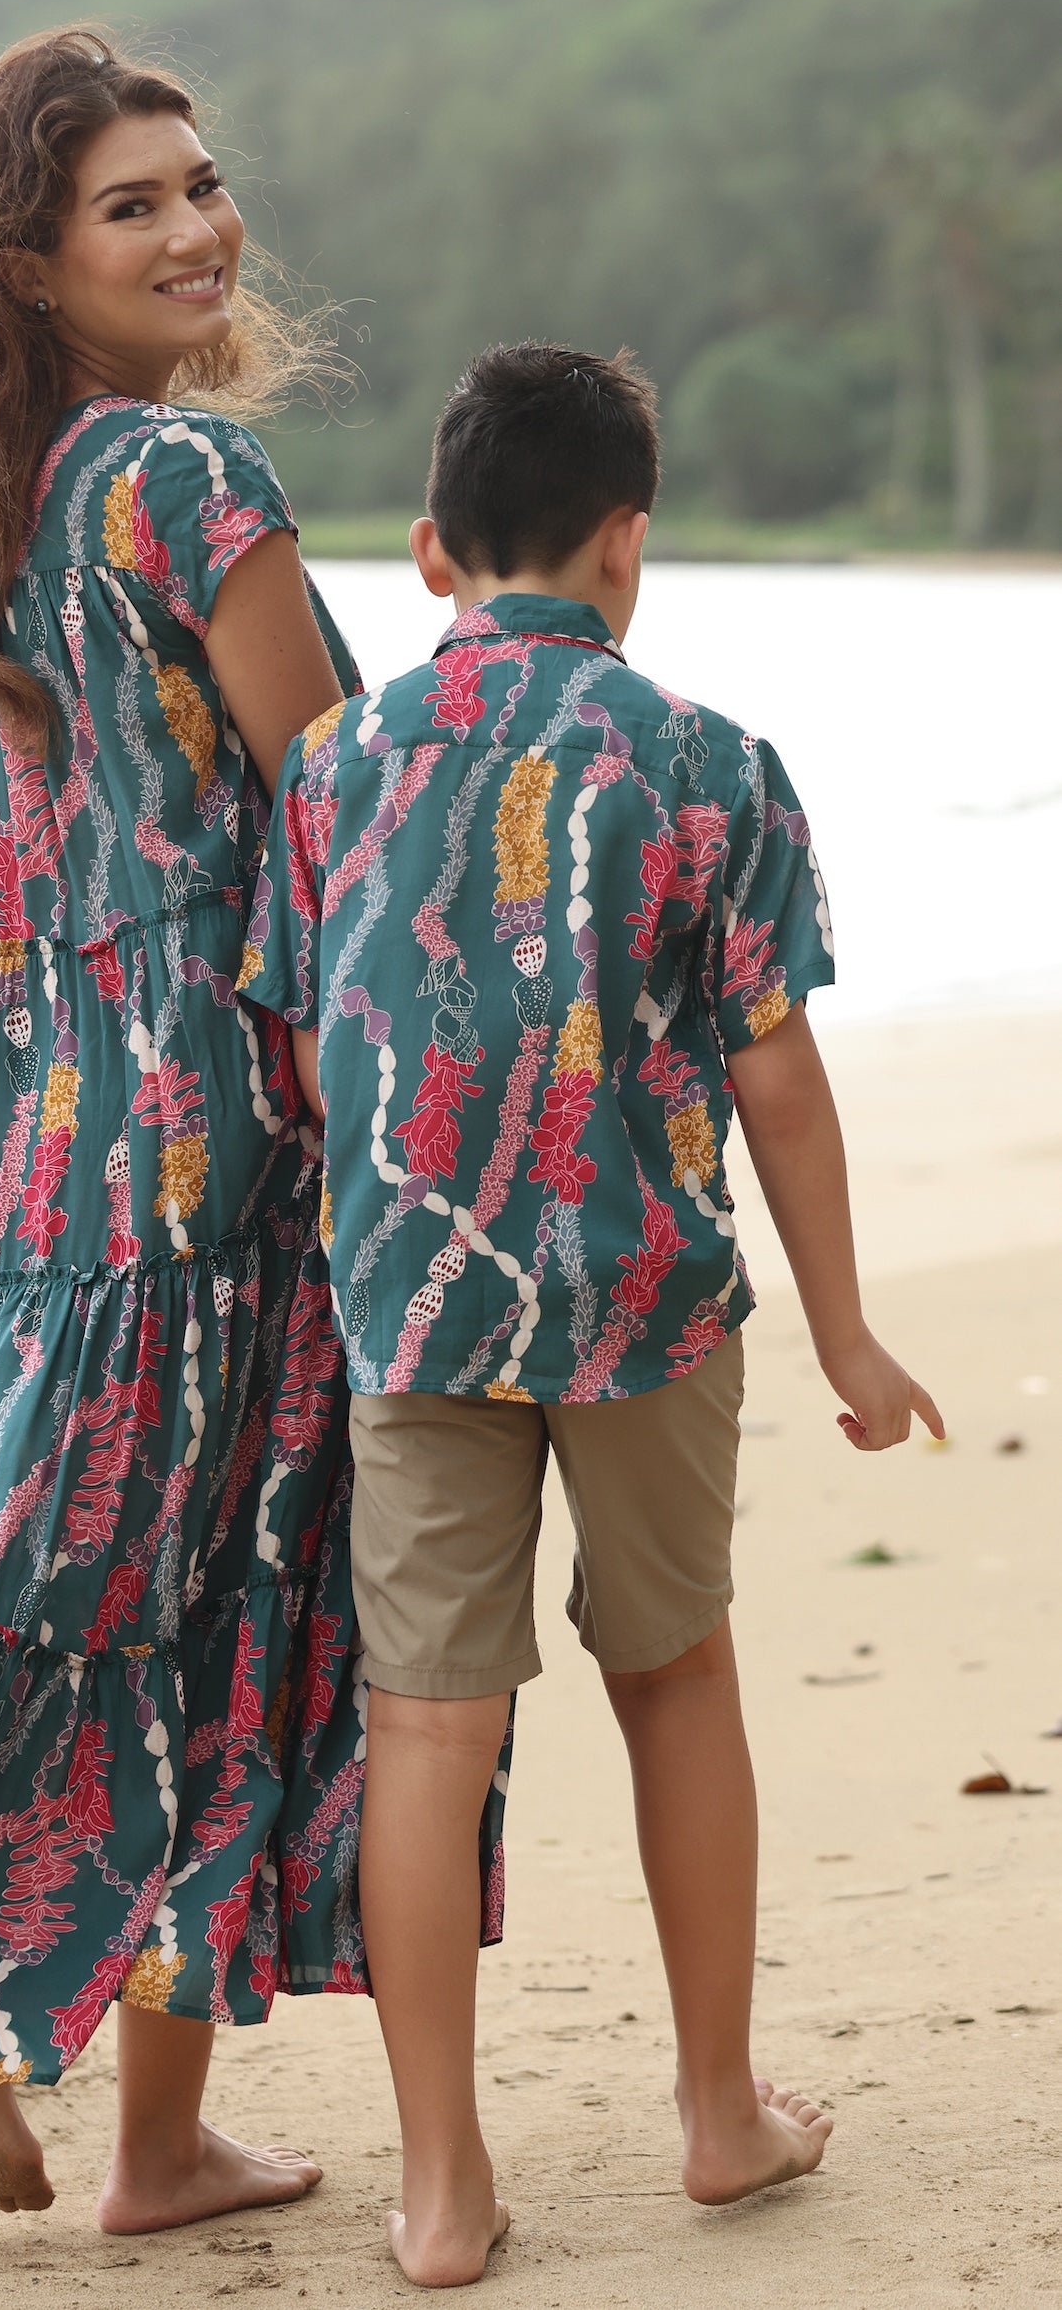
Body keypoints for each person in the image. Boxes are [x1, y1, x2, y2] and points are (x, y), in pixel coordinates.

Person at [0, 29, 513, 2230]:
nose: (193, 226)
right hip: (216, 1151)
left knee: (65, 1611)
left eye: (199, 183)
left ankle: (117, 2109)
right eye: (129, 203)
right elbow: (340, 816)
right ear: (27, 263)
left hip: (24, 1158)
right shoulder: (184, 484)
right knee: (180, 1623)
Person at [242, 340, 944, 2287]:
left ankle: (442, 2187)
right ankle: (720, 2111)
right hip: (643, 1302)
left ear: (430, 552)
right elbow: (778, 1075)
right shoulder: (705, 762)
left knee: (426, 1727)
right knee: (677, 1675)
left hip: (415, 1310)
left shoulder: (334, 766)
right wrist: (849, 1328)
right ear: (629, 541)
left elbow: (296, 1049)